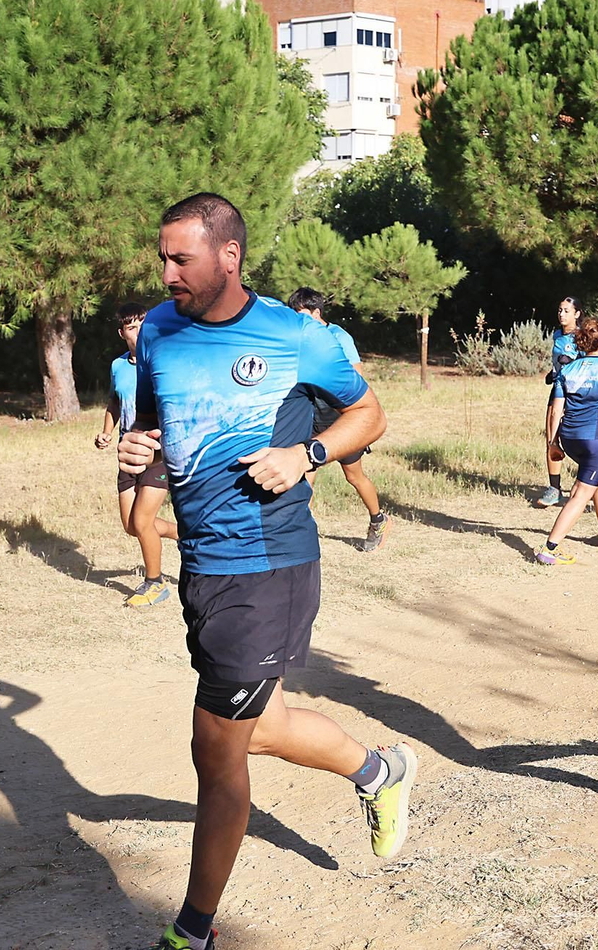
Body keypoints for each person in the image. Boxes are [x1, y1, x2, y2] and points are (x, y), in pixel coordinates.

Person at [115, 194, 415, 950]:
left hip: (269, 565)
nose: (167, 273)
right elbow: (156, 429)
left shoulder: (293, 336)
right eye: (163, 257)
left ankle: (193, 931)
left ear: (230, 256)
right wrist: (139, 454)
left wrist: (306, 454)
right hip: (203, 563)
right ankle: (380, 772)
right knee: (264, 727)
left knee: (216, 749)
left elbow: (370, 416)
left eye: (181, 258)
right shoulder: (159, 331)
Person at [287, 288, 392, 552]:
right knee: (305, 473)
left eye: (300, 313)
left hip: (342, 418)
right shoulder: (298, 338)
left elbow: (357, 376)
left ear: (316, 313)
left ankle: (378, 520)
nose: (296, 319)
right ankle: (300, 532)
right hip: (311, 414)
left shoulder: (338, 336)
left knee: (354, 476)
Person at [95, 302, 179, 607]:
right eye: (132, 327)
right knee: (131, 526)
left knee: (143, 521)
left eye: (143, 324)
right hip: (127, 454)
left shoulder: (165, 361)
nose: (139, 331)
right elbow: (114, 402)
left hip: (158, 453)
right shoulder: (118, 367)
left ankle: (155, 584)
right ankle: (183, 533)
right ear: (122, 333)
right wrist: (106, 432)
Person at [535, 317, 598, 564]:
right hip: (597, 440)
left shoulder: (567, 370)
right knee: (580, 493)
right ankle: (550, 548)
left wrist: (553, 443)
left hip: (570, 439)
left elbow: (556, 411)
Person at [536, 297, 583, 506]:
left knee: (580, 438)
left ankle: (588, 482)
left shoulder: (582, 337)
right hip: (557, 390)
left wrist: (573, 366)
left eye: (566, 311)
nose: (561, 314)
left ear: (577, 314)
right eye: (559, 310)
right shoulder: (557, 335)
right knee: (551, 436)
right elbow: (558, 360)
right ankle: (554, 489)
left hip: (579, 393)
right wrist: (553, 372)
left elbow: (591, 362)